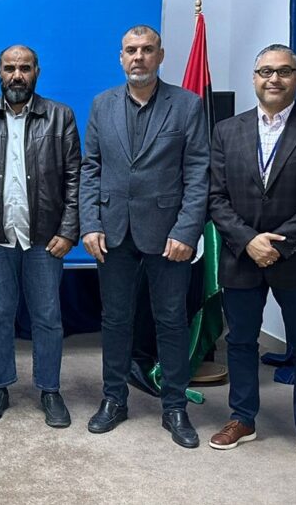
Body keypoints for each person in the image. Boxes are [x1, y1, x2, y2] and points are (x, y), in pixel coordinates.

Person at [206, 44, 296, 471]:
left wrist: (278, 244)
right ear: (254, 78)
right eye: (266, 71)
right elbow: (215, 196)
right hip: (240, 255)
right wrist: (249, 240)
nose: (274, 79)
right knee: (240, 341)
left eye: (284, 71)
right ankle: (242, 418)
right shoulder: (226, 130)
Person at [79, 25, 209, 447]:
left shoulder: (187, 105)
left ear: (160, 55)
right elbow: (90, 168)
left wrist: (187, 230)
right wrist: (90, 223)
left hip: (169, 234)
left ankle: (174, 406)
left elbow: (198, 173)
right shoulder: (102, 104)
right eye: (131, 50)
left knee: (170, 320)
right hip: (113, 231)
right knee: (115, 320)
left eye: (147, 49)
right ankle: (113, 400)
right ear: (121, 57)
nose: (139, 57)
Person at [0, 44, 80, 428]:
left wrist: (68, 231)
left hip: (45, 238)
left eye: (24, 68)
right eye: (10, 68)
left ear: (37, 71)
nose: (17, 75)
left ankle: (50, 389)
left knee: (48, 318)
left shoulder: (60, 116)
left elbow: (75, 179)